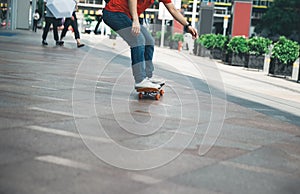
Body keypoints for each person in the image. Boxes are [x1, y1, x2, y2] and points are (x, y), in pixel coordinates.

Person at [103, 0, 198, 89]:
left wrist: (187, 26)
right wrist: (135, 20)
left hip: (127, 16)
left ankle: (147, 77)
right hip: (114, 12)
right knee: (138, 40)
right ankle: (140, 80)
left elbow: (172, 9)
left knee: (149, 41)